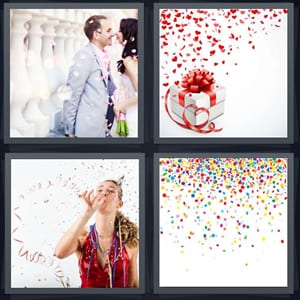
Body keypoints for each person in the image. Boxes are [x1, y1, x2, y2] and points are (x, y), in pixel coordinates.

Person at [54, 179, 139, 288]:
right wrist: (87, 213)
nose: (104, 193)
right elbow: (59, 253)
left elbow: (134, 284)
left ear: (119, 204)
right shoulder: (82, 236)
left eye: (111, 191)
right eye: (100, 190)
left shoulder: (129, 242)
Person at [63, 15, 117, 138]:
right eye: (108, 30)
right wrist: (69, 130)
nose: (113, 33)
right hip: (88, 129)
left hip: (101, 126)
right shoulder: (85, 55)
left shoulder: (103, 55)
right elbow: (72, 93)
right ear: (96, 35)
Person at [114, 18, 138, 137]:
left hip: (133, 113)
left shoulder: (129, 61)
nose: (116, 33)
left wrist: (120, 106)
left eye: (120, 30)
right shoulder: (133, 59)